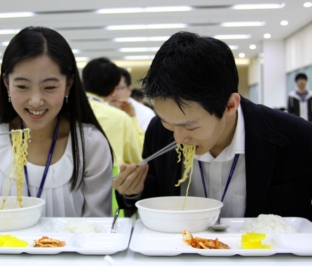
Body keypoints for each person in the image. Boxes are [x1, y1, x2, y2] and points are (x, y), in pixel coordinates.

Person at [113, 31, 312, 221]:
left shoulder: (296, 137)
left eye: (191, 127)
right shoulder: (159, 131)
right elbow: (153, 195)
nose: (178, 138)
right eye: (168, 123)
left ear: (230, 105)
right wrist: (132, 191)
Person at [0, 26, 114, 222]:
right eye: (22, 86)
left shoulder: (89, 143)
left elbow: (98, 224)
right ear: (7, 84)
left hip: (69, 252)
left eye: (49, 87)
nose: (36, 101)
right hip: (2, 247)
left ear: (68, 85)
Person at [82, 57, 143, 168]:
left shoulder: (64, 111)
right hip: (108, 182)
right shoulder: (120, 118)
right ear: (113, 90)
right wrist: (133, 119)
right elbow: (138, 156)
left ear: (82, 82)